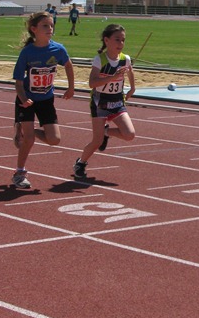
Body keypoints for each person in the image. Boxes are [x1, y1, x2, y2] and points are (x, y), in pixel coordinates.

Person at [12, 12, 75, 189]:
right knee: (30, 139)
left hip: (46, 99)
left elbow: (68, 65)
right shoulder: (28, 52)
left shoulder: (58, 49)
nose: (50, 29)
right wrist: (23, 99)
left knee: (54, 139)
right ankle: (19, 172)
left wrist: (71, 87)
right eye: (45, 26)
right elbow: (18, 81)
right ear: (34, 29)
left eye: (51, 25)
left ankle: (25, 132)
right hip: (28, 99)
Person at [73, 23, 136, 181]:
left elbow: (130, 72)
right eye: (117, 40)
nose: (120, 44)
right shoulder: (99, 60)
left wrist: (132, 88)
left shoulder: (125, 59)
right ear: (106, 40)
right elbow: (92, 83)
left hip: (117, 101)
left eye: (123, 40)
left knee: (129, 134)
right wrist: (112, 78)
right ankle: (81, 163)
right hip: (100, 102)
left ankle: (107, 132)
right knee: (97, 140)